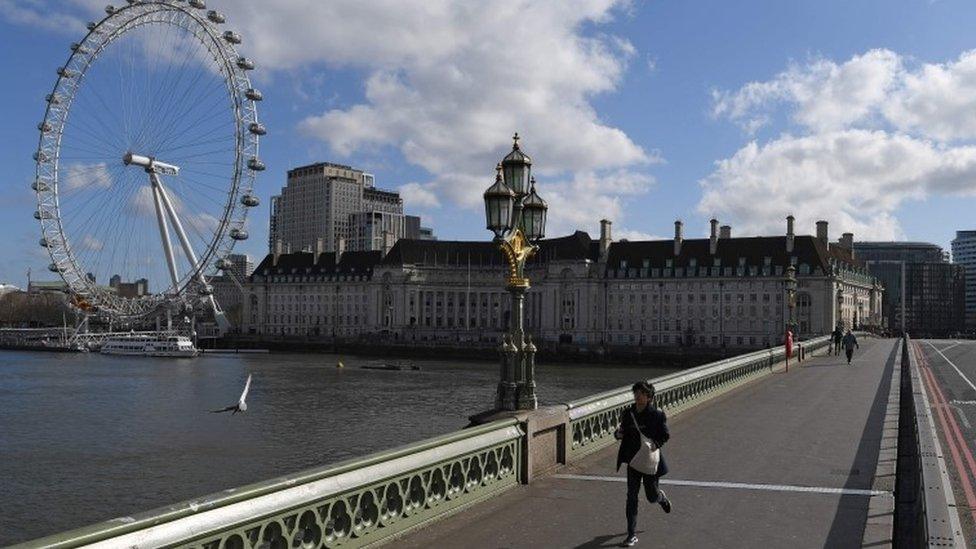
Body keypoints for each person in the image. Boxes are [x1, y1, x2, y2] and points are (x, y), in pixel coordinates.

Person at [614, 381, 672, 547]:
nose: (637, 396)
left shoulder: (657, 415)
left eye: (641, 393)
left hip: (649, 461)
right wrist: (617, 434)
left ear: (649, 397)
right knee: (631, 496)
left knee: (651, 497)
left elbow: (665, 435)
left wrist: (656, 444)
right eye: (636, 393)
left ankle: (660, 497)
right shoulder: (628, 413)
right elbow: (621, 432)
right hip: (633, 461)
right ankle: (631, 535)